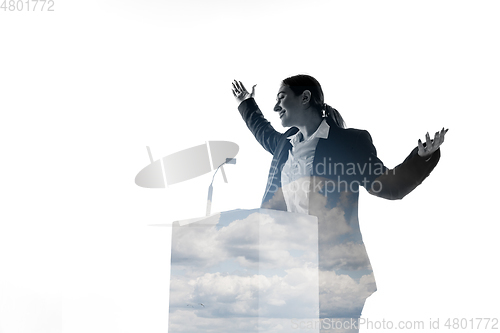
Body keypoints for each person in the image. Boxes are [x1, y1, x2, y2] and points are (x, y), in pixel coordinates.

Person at [232, 74, 447, 332]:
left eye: (281, 98)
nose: (276, 106)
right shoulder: (284, 145)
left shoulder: (348, 144)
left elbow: (389, 185)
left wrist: (421, 159)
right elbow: (261, 129)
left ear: (305, 97)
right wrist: (246, 102)